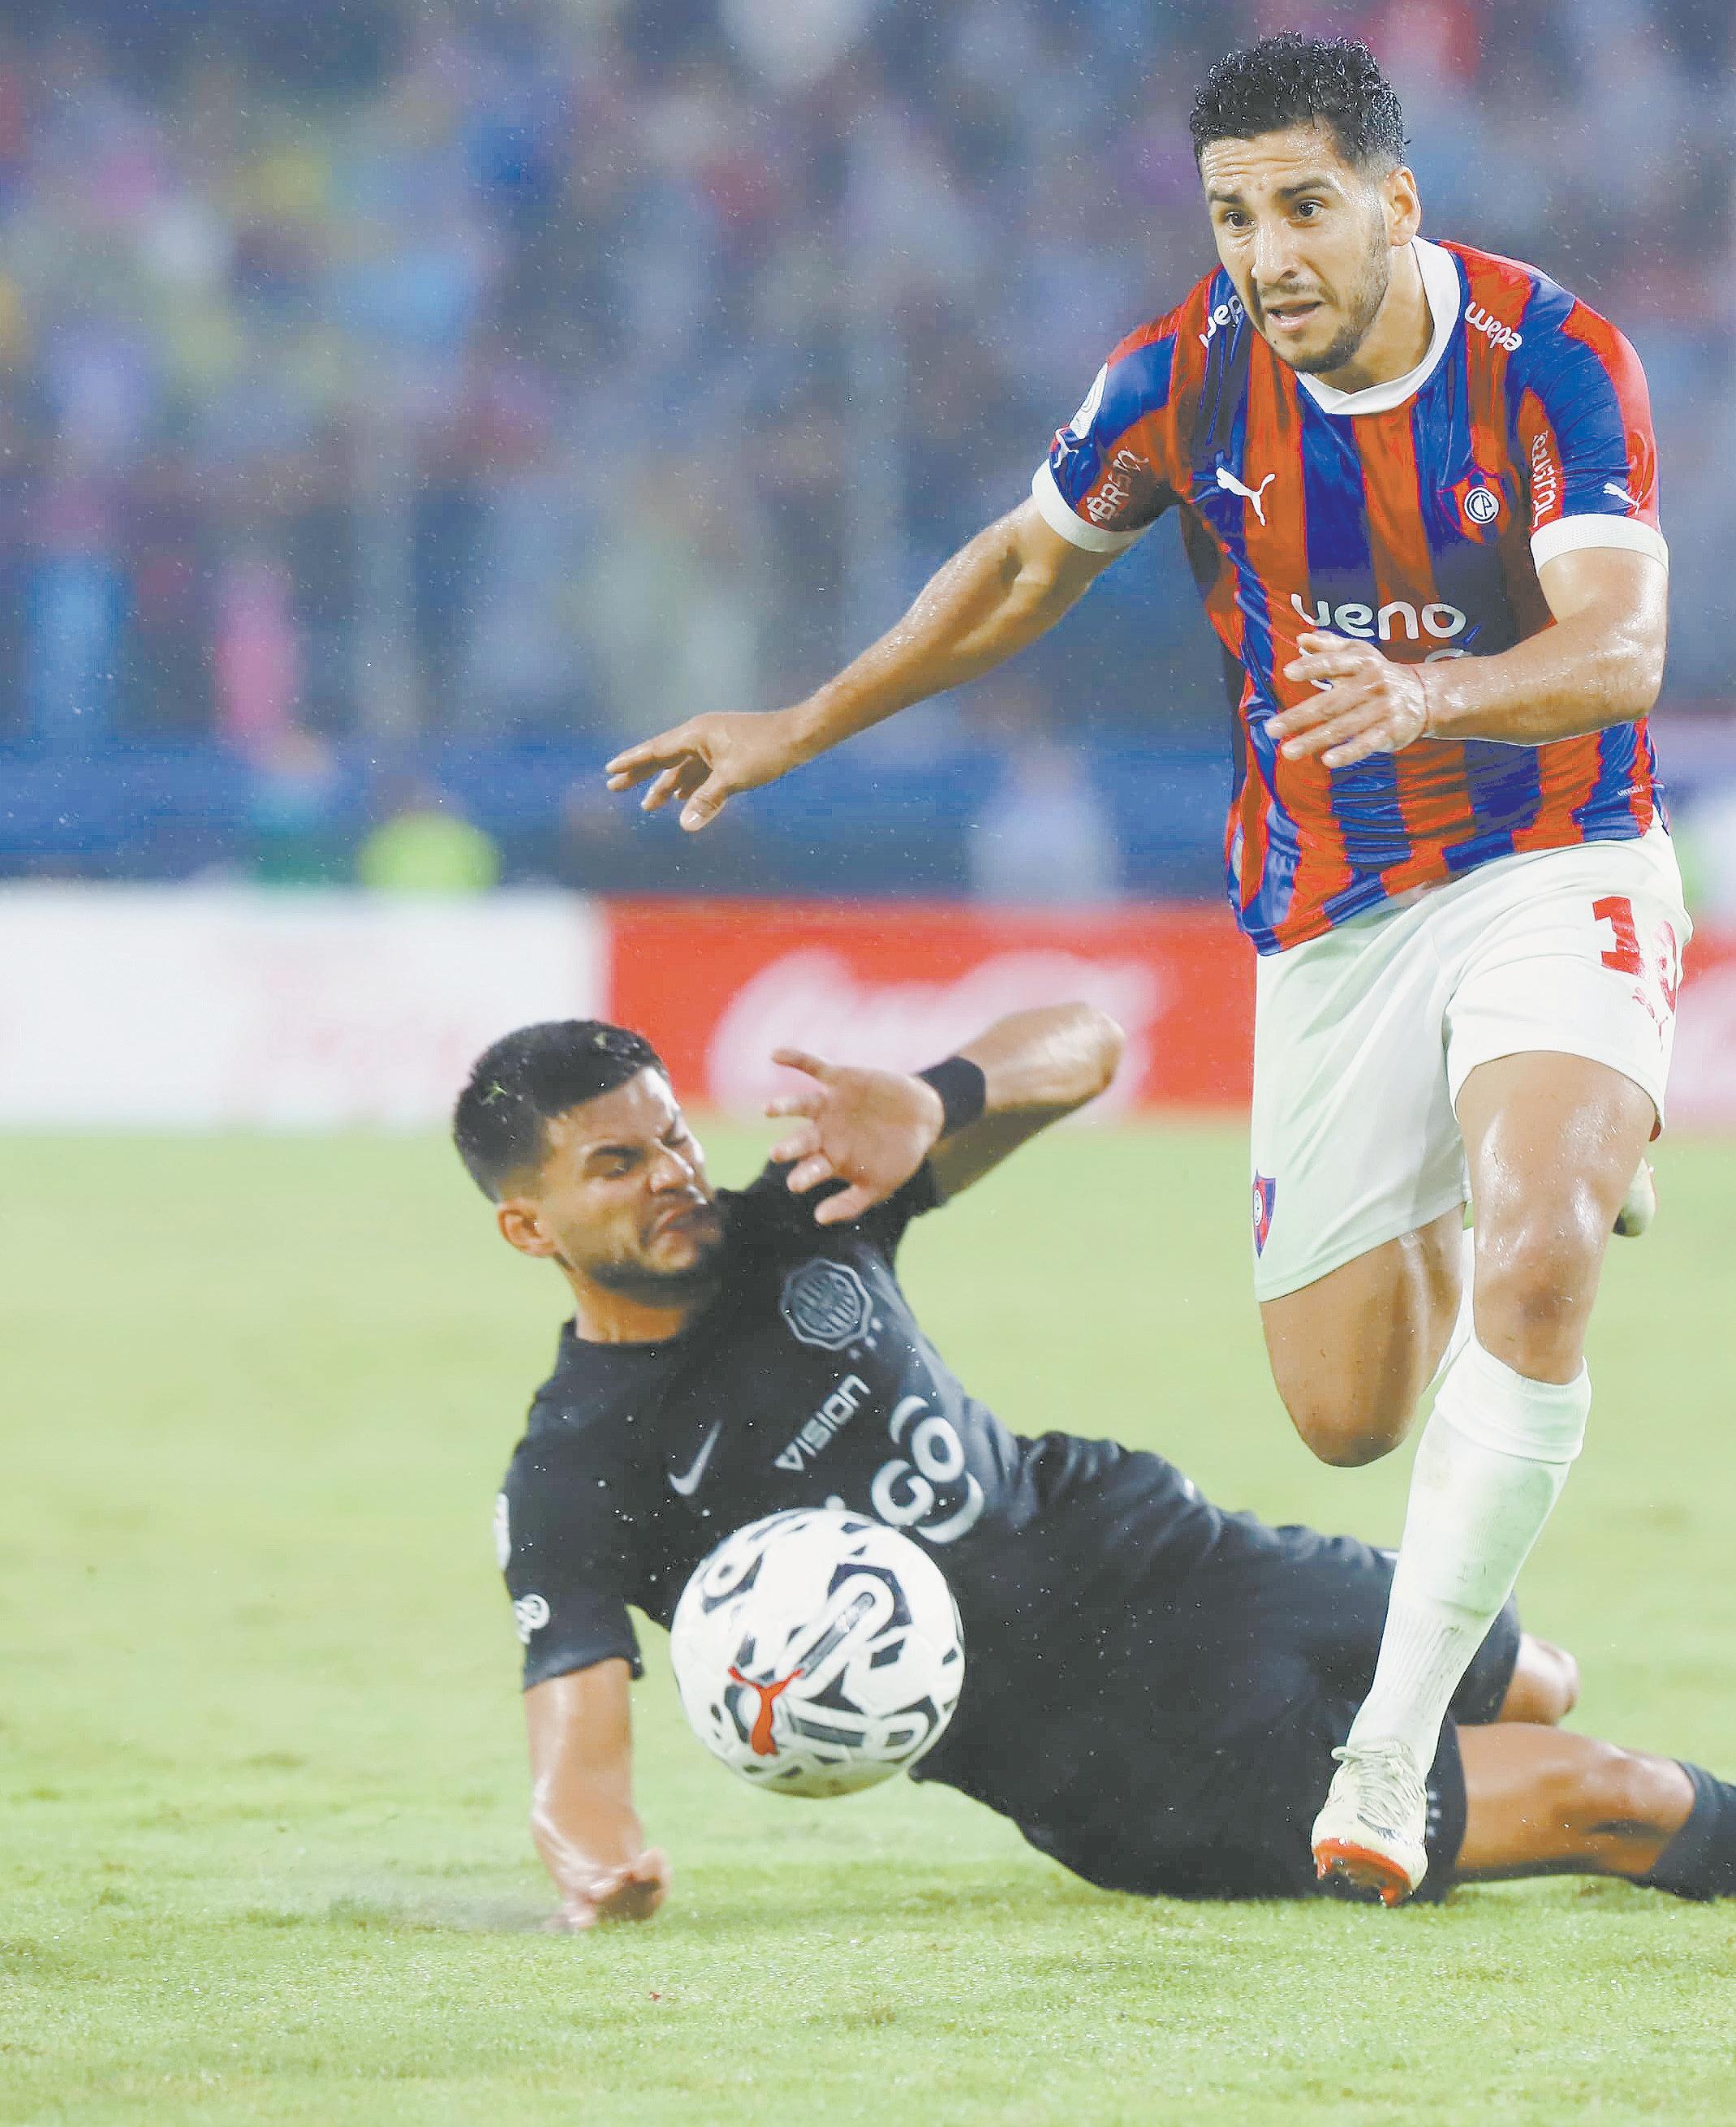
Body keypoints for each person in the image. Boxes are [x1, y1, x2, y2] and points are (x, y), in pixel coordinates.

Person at [600, 36, 1691, 1901]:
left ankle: (1384, 1743)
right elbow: (1023, 571)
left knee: (1534, 1259)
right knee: (1344, 1415)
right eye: (1231, 215)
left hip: (1547, 853)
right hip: (1329, 914)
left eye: (1302, 208)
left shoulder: (1546, 357)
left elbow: (1619, 646)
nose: (1265, 253)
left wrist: (1426, 692)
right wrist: (801, 721)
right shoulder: (1179, 376)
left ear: (1393, 203)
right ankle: (1534, 1121)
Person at [453, 1010, 1736, 1930]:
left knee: (1539, 1679)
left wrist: (941, 1096)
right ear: (524, 1226)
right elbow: (577, 1762)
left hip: (1191, 1562)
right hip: (1134, 1757)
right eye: (618, 1165)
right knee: (1616, 1796)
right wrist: (599, 1861)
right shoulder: (572, 1471)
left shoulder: (805, 1210)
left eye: (673, 1137)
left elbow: (1089, 1042)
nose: (673, 1177)